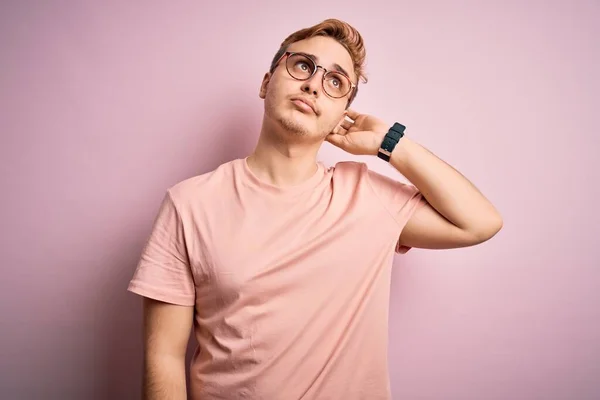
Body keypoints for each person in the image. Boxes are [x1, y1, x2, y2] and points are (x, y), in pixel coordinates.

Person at [127, 18, 503, 400]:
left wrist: (390, 144)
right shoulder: (188, 204)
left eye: (335, 82)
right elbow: (164, 357)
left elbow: (480, 222)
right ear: (266, 82)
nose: (313, 84)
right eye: (303, 66)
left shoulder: (367, 196)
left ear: (342, 114)